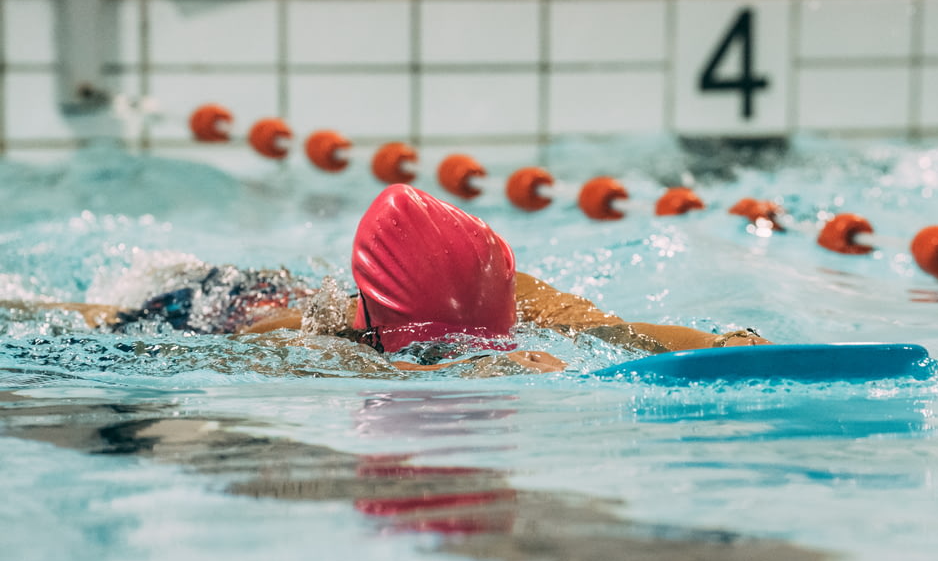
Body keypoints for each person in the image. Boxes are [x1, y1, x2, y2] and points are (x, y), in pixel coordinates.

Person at [8, 184, 769, 374]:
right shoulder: (306, 339)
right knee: (92, 321)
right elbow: (390, 378)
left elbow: (612, 329)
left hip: (286, 285)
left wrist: (716, 344)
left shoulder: (511, 293)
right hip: (198, 306)